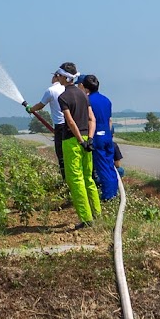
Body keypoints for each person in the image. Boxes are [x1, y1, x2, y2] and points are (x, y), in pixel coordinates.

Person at [58, 71, 101, 227]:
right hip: (86, 140)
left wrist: (78, 140)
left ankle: (86, 219)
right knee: (88, 178)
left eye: (59, 75)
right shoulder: (84, 95)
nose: (57, 78)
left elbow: (70, 122)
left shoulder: (63, 97)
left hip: (72, 142)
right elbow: (92, 119)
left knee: (76, 180)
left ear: (65, 77)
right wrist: (89, 139)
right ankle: (97, 213)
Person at [27, 62, 77, 174]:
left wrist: (30, 109)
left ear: (57, 76)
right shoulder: (67, 89)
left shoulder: (51, 90)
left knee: (61, 153)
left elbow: (40, 105)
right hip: (72, 124)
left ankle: (65, 177)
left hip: (60, 125)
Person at [81, 74, 118, 203]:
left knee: (102, 167)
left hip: (97, 136)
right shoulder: (106, 100)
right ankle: (114, 192)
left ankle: (108, 196)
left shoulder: (87, 100)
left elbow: (89, 119)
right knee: (110, 166)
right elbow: (109, 120)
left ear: (85, 87)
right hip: (107, 135)